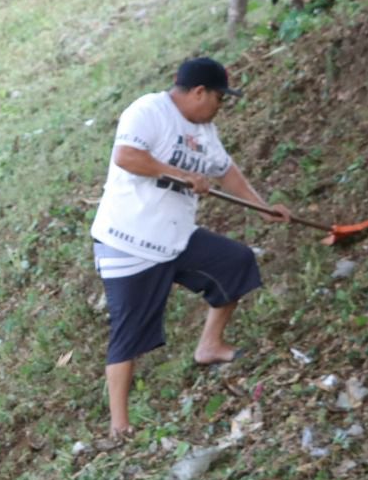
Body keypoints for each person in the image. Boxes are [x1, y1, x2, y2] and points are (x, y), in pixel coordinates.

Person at [89, 56, 290, 437]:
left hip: (176, 236)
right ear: (199, 92)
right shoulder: (149, 110)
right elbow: (126, 156)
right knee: (127, 333)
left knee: (235, 263)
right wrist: (180, 175)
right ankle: (119, 424)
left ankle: (209, 346)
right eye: (219, 98)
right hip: (129, 240)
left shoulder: (205, 130)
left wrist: (263, 208)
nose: (220, 106)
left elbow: (225, 171)